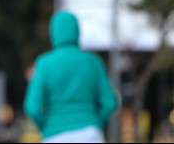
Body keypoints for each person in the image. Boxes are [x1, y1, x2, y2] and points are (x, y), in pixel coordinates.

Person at [23, 10, 119, 143]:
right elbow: (110, 102)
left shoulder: (44, 64)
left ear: (53, 33)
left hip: (55, 135)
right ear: (77, 31)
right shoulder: (93, 61)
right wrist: (95, 122)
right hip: (89, 134)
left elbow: (32, 107)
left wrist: (47, 126)